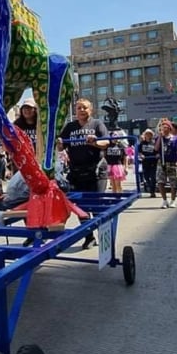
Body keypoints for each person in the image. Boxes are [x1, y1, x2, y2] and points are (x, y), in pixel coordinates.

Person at [57, 98, 109, 248]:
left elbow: (106, 142)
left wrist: (95, 142)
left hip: (96, 172)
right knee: (81, 208)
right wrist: (60, 143)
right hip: (76, 172)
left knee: (96, 206)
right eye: (79, 108)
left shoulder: (97, 124)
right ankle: (89, 236)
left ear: (90, 110)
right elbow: (61, 147)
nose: (81, 110)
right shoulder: (70, 126)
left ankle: (104, 236)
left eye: (85, 108)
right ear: (75, 111)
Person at [154, 119, 177, 208]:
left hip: (172, 162)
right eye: (162, 127)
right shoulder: (159, 138)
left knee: (174, 182)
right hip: (162, 162)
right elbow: (156, 148)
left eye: (166, 127)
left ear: (169, 128)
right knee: (160, 181)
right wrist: (160, 137)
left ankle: (173, 200)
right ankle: (164, 200)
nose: (164, 129)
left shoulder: (176, 139)